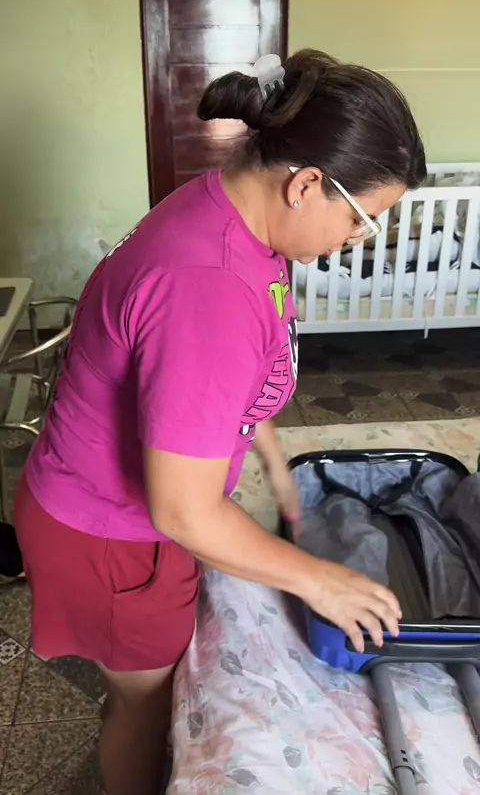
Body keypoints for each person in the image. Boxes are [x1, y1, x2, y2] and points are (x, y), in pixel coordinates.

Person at [14, 49, 426, 795]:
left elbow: (215, 383)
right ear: (306, 185)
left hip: (122, 511)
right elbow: (182, 508)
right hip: (109, 535)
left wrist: (266, 454)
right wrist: (321, 581)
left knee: (148, 688)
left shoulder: (229, 215)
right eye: (361, 222)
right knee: (144, 705)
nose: (352, 240)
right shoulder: (210, 285)